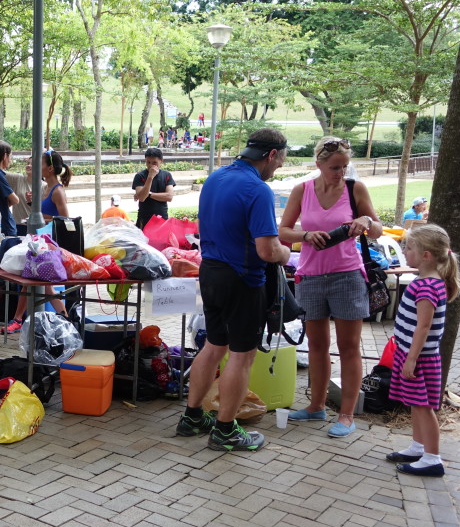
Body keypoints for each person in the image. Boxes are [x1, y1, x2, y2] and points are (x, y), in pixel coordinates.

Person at [174, 128, 291, 452]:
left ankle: (193, 416)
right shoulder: (258, 189)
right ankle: (225, 430)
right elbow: (268, 250)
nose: (278, 168)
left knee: (213, 346)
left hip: (210, 272)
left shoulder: (215, 178)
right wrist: (287, 253)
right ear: (271, 155)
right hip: (242, 280)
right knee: (242, 356)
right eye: (279, 162)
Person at [278, 136, 383, 437]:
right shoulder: (303, 190)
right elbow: (283, 230)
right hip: (310, 276)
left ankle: (347, 414)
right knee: (317, 345)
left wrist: (364, 220)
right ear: (319, 164)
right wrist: (307, 235)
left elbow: (377, 228)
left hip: (347, 276)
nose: (341, 173)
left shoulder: (354, 189)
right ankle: (316, 406)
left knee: (349, 347)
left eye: (345, 167)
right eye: (335, 167)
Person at [387, 224, 460, 477]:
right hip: (413, 354)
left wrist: (411, 359)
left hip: (419, 358)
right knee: (415, 403)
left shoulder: (427, 287)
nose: (405, 252)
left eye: (409, 248)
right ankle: (418, 447)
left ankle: (432, 458)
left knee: (423, 406)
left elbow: (424, 326)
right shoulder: (426, 279)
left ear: (426, 255)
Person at [7, 150, 72, 332]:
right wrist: (32, 207)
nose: (36, 168)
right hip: (39, 243)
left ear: (50, 168)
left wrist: (39, 218)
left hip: (49, 245)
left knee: (30, 278)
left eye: (40, 164)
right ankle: (65, 318)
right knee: (44, 286)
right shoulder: (44, 188)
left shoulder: (57, 191)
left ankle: (18, 319)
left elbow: (65, 219)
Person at [133, 147, 176, 230]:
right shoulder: (140, 176)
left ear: (161, 161)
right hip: (144, 219)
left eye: (154, 163)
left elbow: (169, 196)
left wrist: (149, 194)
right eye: (148, 162)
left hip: (161, 218)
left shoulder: (167, 175)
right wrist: (150, 177)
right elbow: (142, 198)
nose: (151, 165)